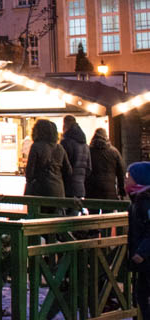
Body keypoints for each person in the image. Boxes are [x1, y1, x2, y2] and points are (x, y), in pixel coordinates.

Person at [25, 119, 72, 214]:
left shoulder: (36, 147)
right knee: (55, 223)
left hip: (40, 192)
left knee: (39, 221)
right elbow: (69, 171)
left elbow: (29, 173)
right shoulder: (60, 148)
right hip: (58, 192)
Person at [126, 161, 150, 318]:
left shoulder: (145, 202)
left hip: (146, 258)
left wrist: (141, 252)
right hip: (141, 261)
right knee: (139, 296)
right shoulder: (135, 201)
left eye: (129, 177)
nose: (126, 180)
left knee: (143, 296)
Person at [60, 115, 91, 212]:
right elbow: (89, 168)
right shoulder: (85, 145)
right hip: (80, 187)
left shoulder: (66, 143)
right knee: (74, 215)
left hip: (67, 186)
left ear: (65, 125)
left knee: (65, 217)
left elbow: (63, 166)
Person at [84, 128, 126, 201]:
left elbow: (84, 169)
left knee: (93, 211)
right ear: (106, 137)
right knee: (108, 210)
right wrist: (121, 190)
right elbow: (121, 172)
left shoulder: (88, 151)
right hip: (109, 190)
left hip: (92, 189)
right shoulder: (114, 152)